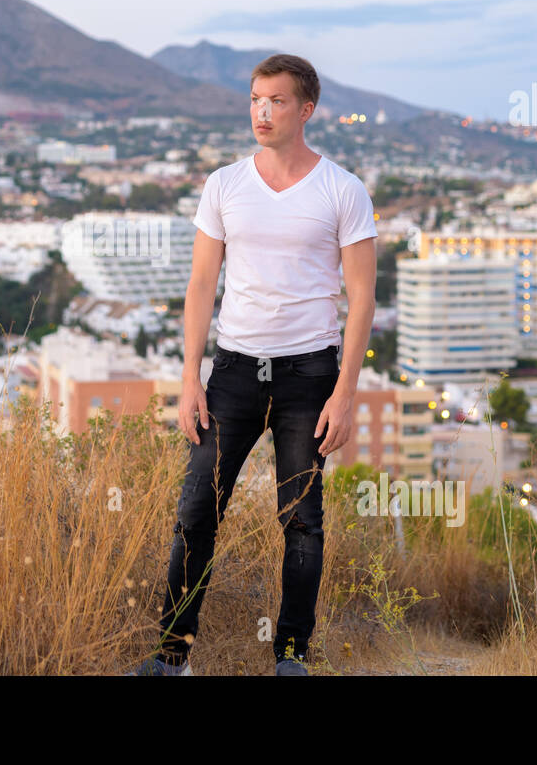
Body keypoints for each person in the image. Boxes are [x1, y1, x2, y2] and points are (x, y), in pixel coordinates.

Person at [128, 53, 377, 676]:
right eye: (255, 99)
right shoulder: (225, 184)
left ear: (306, 110)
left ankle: (291, 655)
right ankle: (172, 658)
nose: (262, 112)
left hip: (309, 376)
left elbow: (363, 297)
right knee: (196, 511)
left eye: (277, 101)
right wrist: (190, 378)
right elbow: (200, 283)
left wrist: (345, 391)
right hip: (234, 372)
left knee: (302, 521)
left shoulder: (342, 189)